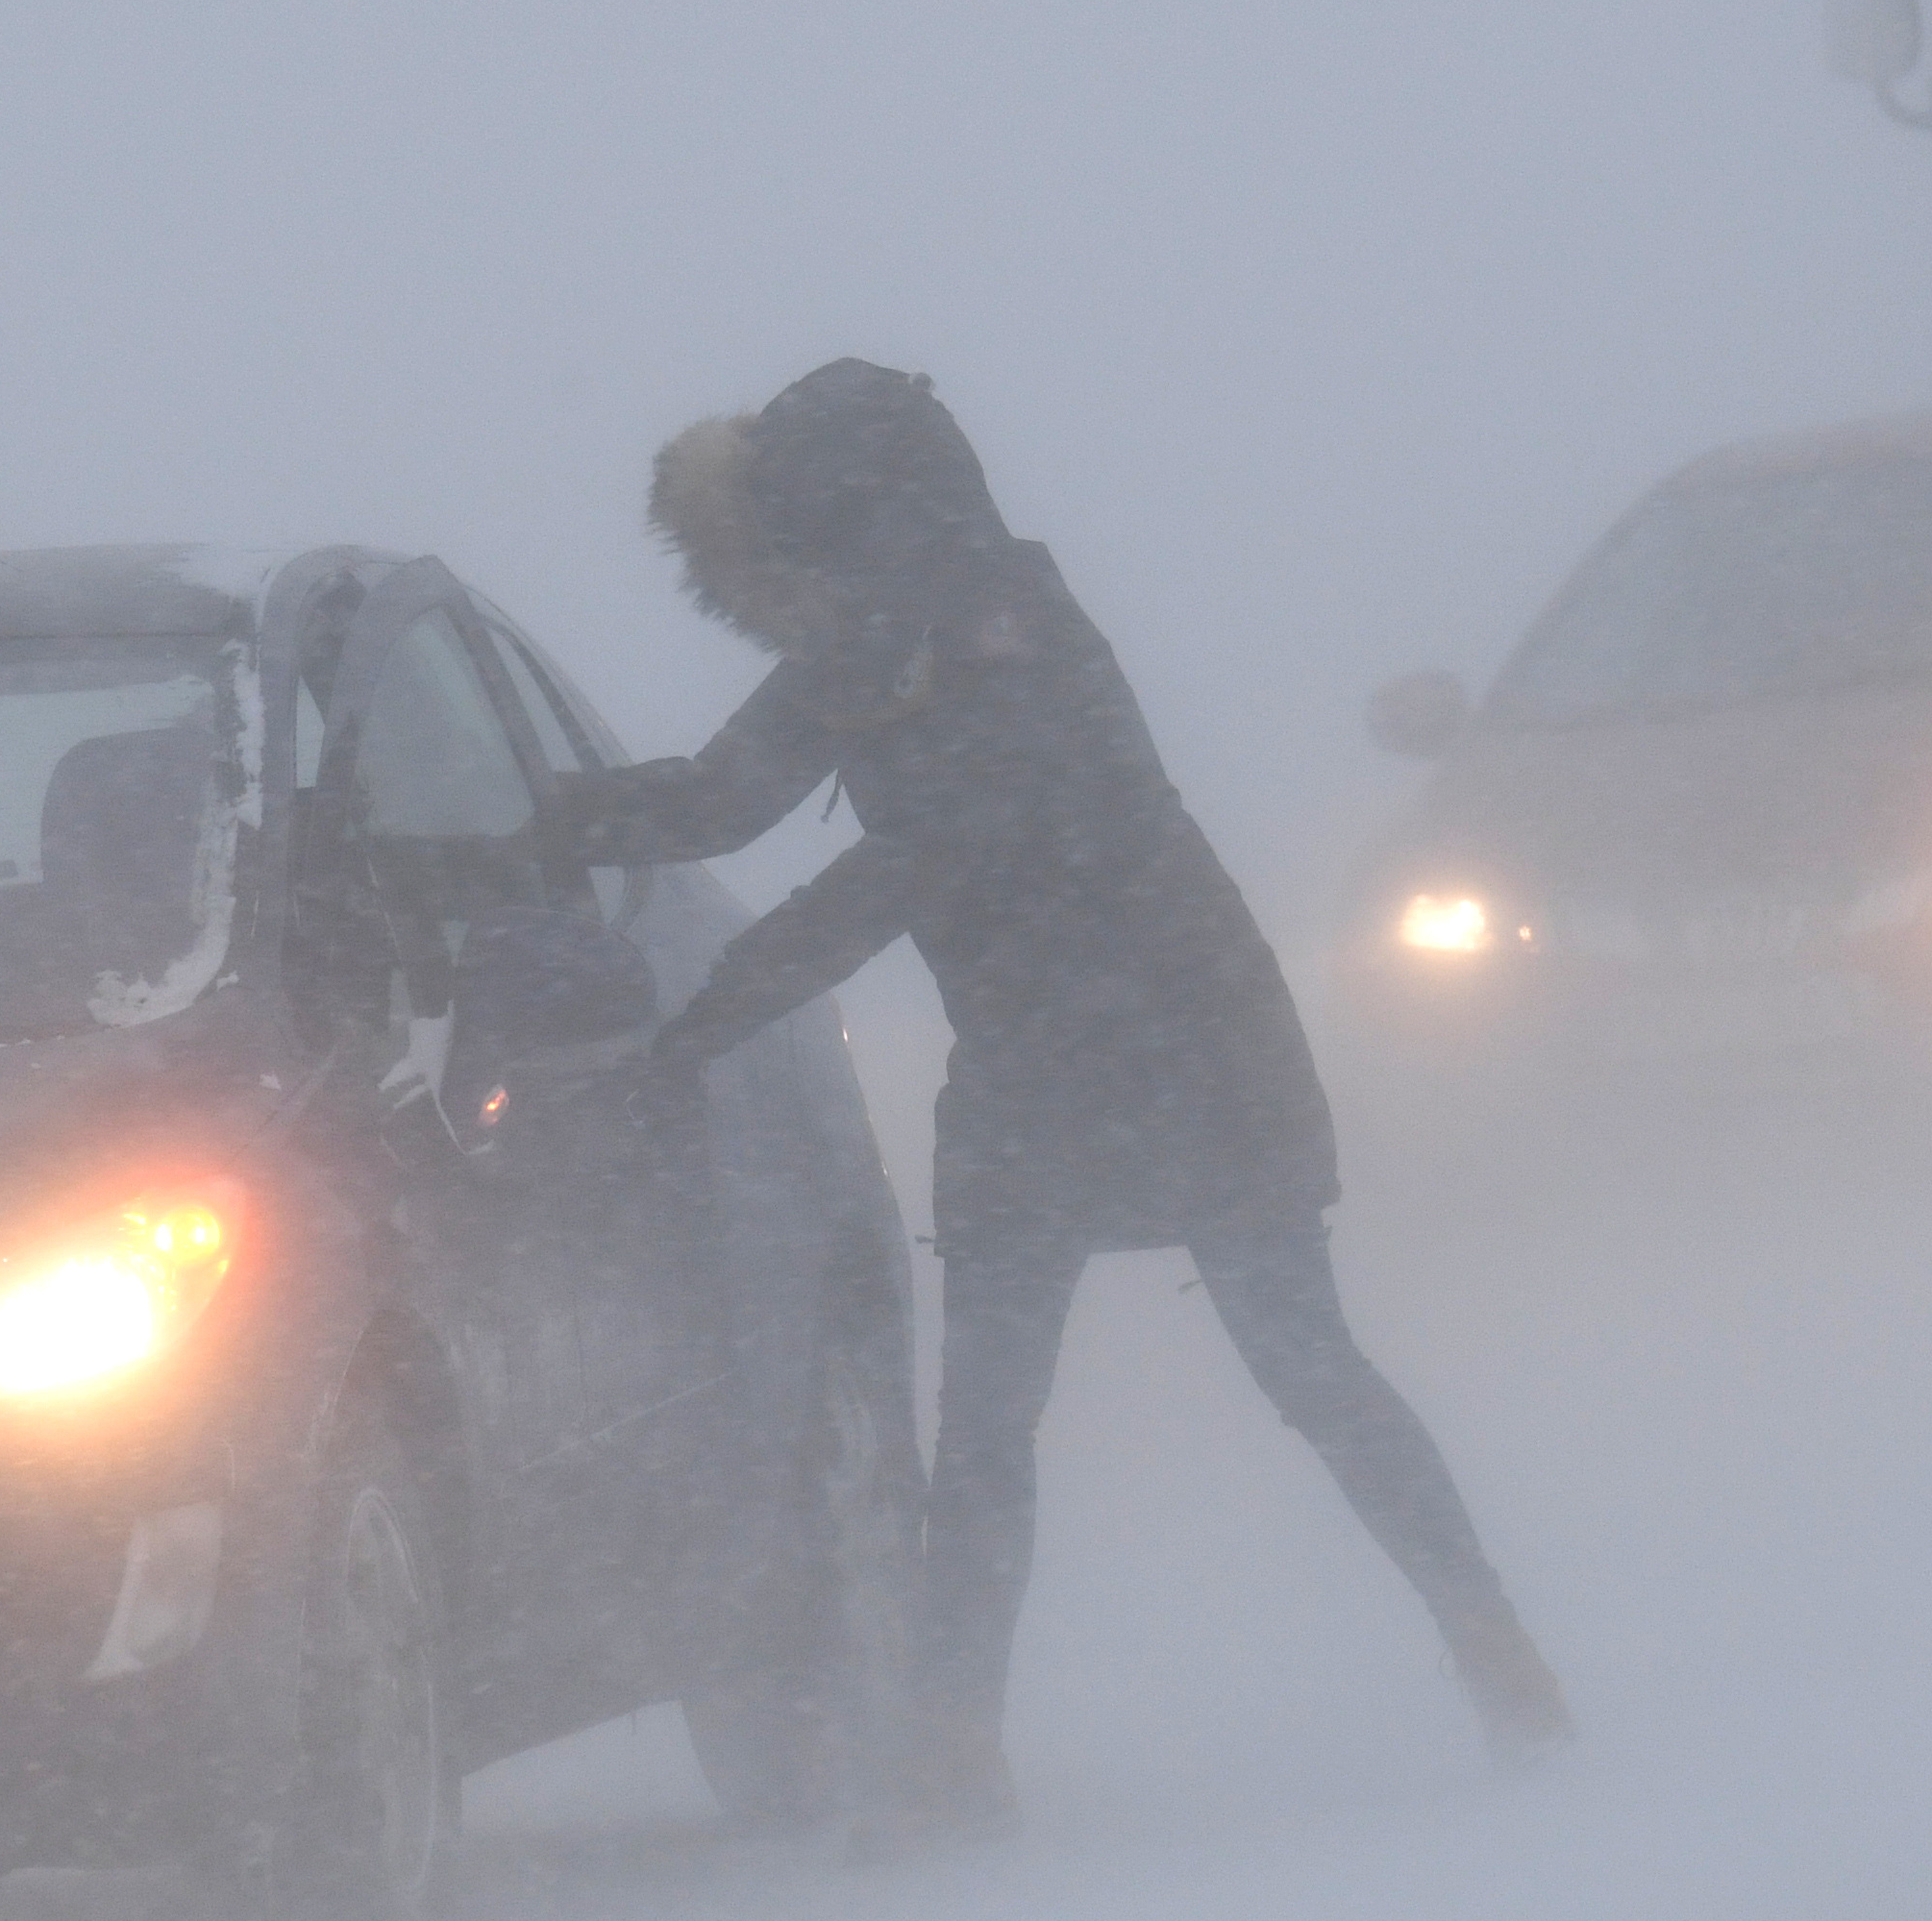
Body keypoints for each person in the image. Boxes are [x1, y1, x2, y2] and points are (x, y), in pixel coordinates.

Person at [537, 358, 1573, 1841]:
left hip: (1080, 1047)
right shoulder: (967, 612)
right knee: (1301, 1371)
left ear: (810, 519)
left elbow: (877, 858)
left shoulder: (905, 632)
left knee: (1004, 1429)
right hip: (1170, 1031)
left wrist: (692, 1016)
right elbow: (726, 805)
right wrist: (548, 822)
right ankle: (1495, 1656)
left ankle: (964, 1742)